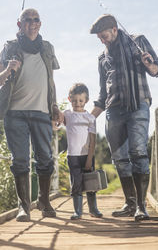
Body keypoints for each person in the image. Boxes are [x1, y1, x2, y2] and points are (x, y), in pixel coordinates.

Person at [90, 14, 158, 220]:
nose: (102, 40)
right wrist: (88, 117)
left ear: (114, 29)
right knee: (120, 159)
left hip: (138, 104)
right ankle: (130, 203)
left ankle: (142, 206)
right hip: (113, 109)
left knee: (138, 152)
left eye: (104, 36)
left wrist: (149, 65)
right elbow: (103, 95)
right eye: (99, 38)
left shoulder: (137, 41)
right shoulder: (102, 58)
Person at [0, 8, 63, 222]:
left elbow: (50, 79)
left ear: (40, 23)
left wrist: (54, 105)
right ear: (19, 24)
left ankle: (44, 201)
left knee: (45, 158)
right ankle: (23, 207)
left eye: (36, 19)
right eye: (27, 19)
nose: (32, 23)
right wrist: (8, 70)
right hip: (14, 113)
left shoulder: (47, 47)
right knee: (20, 161)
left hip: (42, 111)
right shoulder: (10, 47)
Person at [63, 83, 103, 220]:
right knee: (76, 183)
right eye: (74, 100)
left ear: (86, 100)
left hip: (87, 155)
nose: (77, 103)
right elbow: (56, 123)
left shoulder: (90, 118)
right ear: (69, 99)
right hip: (72, 156)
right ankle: (78, 211)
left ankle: (93, 209)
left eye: (80, 100)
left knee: (90, 183)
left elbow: (93, 141)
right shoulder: (67, 115)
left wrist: (89, 159)